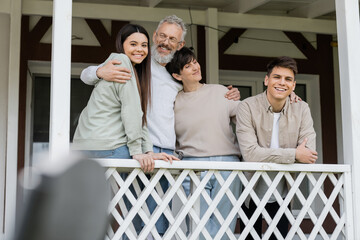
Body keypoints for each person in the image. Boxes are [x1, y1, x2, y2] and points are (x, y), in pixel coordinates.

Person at [80, 15, 240, 237]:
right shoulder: (138, 63)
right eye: (162, 36)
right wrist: (99, 72)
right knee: (141, 218)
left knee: (160, 220)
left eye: (172, 39)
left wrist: (230, 94)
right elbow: (86, 75)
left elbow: (202, 98)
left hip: (168, 154)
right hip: (141, 150)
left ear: (179, 44)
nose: (165, 42)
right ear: (154, 36)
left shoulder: (179, 75)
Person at [72, 24, 177, 238]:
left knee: (98, 206)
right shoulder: (122, 64)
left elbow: (138, 117)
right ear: (122, 45)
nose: (140, 49)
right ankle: (142, 234)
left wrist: (147, 150)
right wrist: (139, 151)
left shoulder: (120, 63)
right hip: (108, 146)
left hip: (87, 146)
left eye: (144, 45)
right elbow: (131, 113)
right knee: (147, 189)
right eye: (133, 44)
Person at [236, 56, 317, 240]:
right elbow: (250, 154)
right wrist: (294, 154)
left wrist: (299, 154)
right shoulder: (247, 107)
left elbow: (309, 152)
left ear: (294, 85)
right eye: (276, 77)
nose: (282, 83)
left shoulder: (302, 108)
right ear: (266, 80)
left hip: (283, 190)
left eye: (288, 79)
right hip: (251, 190)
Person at [166, 47, 241, 240]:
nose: (195, 67)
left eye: (195, 62)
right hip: (192, 167)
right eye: (188, 66)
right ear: (177, 75)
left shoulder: (221, 92)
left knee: (224, 226)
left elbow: (251, 118)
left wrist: (286, 99)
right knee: (198, 227)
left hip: (227, 165)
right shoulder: (173, 101)